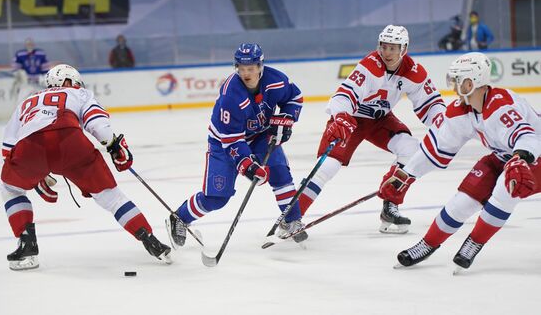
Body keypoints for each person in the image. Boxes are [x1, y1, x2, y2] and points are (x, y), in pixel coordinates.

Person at [380, 52, 541, 272]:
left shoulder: (501, 105)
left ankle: (474, 242)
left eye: (458, 80)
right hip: (505, 156)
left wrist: (520, 159)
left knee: (506, 188)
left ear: (472, 82)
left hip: (533, 156)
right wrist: (406, 175)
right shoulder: (461, 111)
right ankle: (427, 244)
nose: (454, 86)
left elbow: (527, 138)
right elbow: (435, 150)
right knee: (465, 197)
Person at [0, 64, 171, 270]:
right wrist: (112, 144)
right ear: (68, 81)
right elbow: (98, 125)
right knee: (111, 197)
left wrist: (36, 174)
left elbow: (8, 147)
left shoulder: (26, 102)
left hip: (30, 148)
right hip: (71, 143)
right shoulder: (79, 93)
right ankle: (149, 239)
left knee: (10, 188)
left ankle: (26, 243)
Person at [297, 25, 446, 234]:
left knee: (412, 151)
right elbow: (344, 96)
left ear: (404, 49)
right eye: (384, 47)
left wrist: (442, 124)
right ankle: (293, 216)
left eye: (393, 48)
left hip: (380, 120)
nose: (387, 53)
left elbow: (431, 104)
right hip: (351, 119)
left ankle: (390, 203)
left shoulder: (414, 72)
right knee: (328, 166)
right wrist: (340, 117)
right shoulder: (370, 65)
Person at [167, 43, 307, 246]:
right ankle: (180, 217)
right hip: (223, 142)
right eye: (241, 68)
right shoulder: (230, 96)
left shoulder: (276, 80)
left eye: (250, 68)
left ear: (260, 66)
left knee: (279, 172)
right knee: (216, 199)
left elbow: (294, 97)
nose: (245, 73)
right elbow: (232, 140)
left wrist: (286, 118)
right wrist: (247, 165)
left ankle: (291, 220)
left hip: (260, 135)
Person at [12, 38, 50, 102]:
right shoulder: (20, 54)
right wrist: (20, 76)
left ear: (34, 44)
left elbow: (45, 69)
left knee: (40, 100)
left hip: (38, 83)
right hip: (26, 84)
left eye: (31, 44)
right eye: (28, 44)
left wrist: (43, 78)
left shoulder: (41, 54)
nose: (29, 45)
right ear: (25, 45)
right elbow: (16, 69)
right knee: (21, 101)